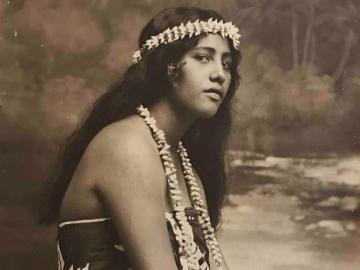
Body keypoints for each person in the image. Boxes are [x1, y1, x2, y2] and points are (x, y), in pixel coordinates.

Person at [40, 6, 241, 270]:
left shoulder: (184, 166)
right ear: (168, 67)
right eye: (203, 57)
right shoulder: (126, 145)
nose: (220, 74)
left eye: (226, 64)